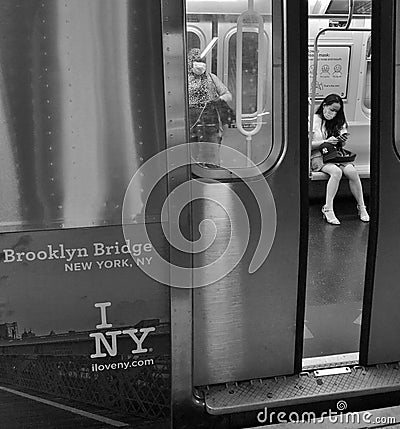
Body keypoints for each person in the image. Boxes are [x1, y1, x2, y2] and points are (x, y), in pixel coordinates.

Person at [310, 93, 369, 225]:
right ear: (324, 106)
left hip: (335, 155)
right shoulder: (313, 120)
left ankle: (361, 207)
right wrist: (326, 142)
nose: (333, 114)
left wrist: (340, 141)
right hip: (318, 156)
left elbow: (341, 145)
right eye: (331, 110)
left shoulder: (339, 122)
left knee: (352, 172)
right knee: (336, 172)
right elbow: (308, 146)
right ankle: (328, 208)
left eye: (336, 111)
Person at [187, 48, 232, 167]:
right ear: (189, 62)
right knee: (191, 156)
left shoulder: (211, 78)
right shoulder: (183, 80)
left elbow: (228, 95)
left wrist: (218, 100)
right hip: (190, 123)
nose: (200, 64)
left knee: (211, 155)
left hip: (209, 122)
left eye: (202, 61)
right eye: (196, 61)